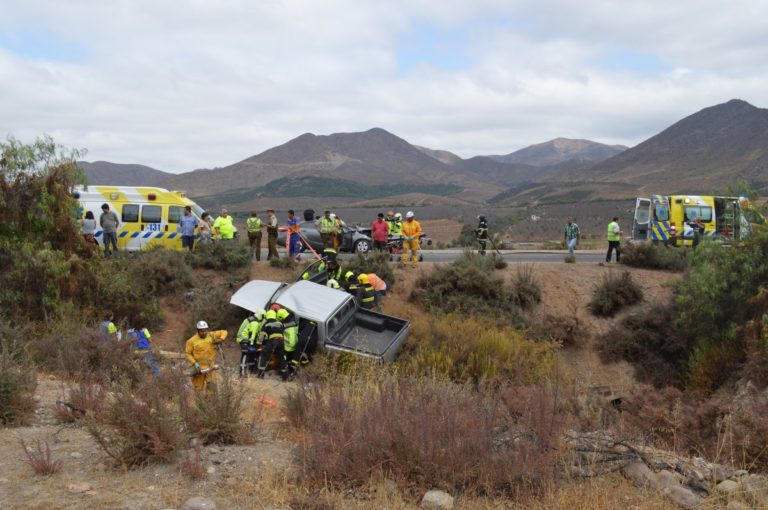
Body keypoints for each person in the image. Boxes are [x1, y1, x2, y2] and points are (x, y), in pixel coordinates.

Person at [185, 320, 228, 391]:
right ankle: (199, 402)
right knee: (198, 389)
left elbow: (224, 332)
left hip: (211, 366)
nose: (204, 332)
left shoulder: (211, 335)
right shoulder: (191, 341)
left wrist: (221, 339)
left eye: (205, 330)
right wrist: (194, 363)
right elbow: (188, 353)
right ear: (198, 331)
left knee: (212, 386)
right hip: (199, 367)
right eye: (202, 331)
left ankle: (210, 401)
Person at [256, 310, 287, 380]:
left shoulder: (266, 324)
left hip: (273, 341)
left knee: (263, 356)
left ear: (267, 316)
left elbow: (262, 335)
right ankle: (285, 377)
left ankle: (260, 375)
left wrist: (258, 344)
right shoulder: (280, 323)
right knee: (281, 359)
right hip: (281, 342)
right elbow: (283, 332)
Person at [239, 309, 265, 377]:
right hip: (245, 339)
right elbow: (252, 334)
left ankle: (251, 370)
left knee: (251, 354)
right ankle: (242, 372)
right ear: (261, 316)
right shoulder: (255, 322)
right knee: (246, 354)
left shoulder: (251, 319)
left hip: (242, 338)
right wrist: (252, 344)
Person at [277, 309, 299, 378]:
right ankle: (291, 372)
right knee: (290, 360)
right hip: (295, 346)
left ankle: (284, 375)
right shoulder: (295, 323)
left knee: (283, 361)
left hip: (287, 347)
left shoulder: (283, 326)